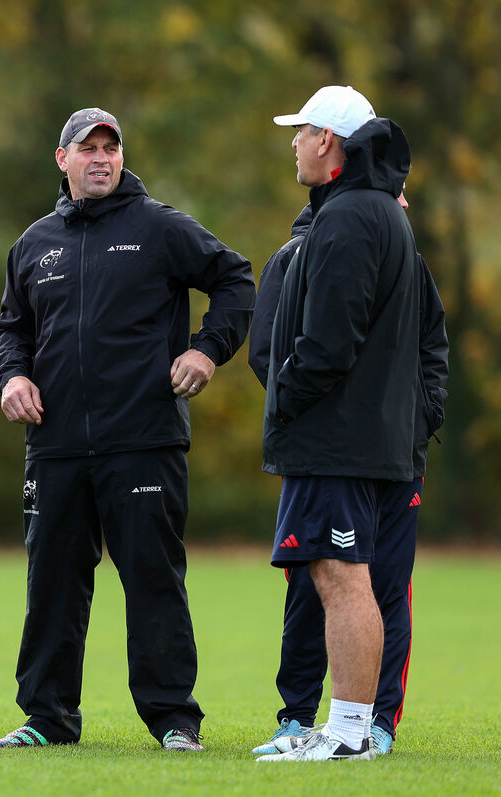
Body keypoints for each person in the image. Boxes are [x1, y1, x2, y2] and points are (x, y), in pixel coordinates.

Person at [0, 108, 255, 751]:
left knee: (153, 581)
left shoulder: (160, 227)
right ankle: (48, 721)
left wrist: (207, 350)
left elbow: (235, 279)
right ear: (64, 159)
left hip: (143, 439)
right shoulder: (34, 244)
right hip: (54, 445)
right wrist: (12, 379)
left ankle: (172, 721)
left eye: (111, 148)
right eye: (89, 149)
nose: (102, 158)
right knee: (51, 584)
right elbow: (12, 331)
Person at [255, 87, 422, 762]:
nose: (292, 142)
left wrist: (285, 400)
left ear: (327, 139)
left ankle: (351, 731)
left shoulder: (350, 218)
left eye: (300, 132)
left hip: (339, 438)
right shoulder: (376, 211)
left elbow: (327, 343)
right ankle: (347, 723)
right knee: (340, 573)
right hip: (361, 437)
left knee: (341, 575)